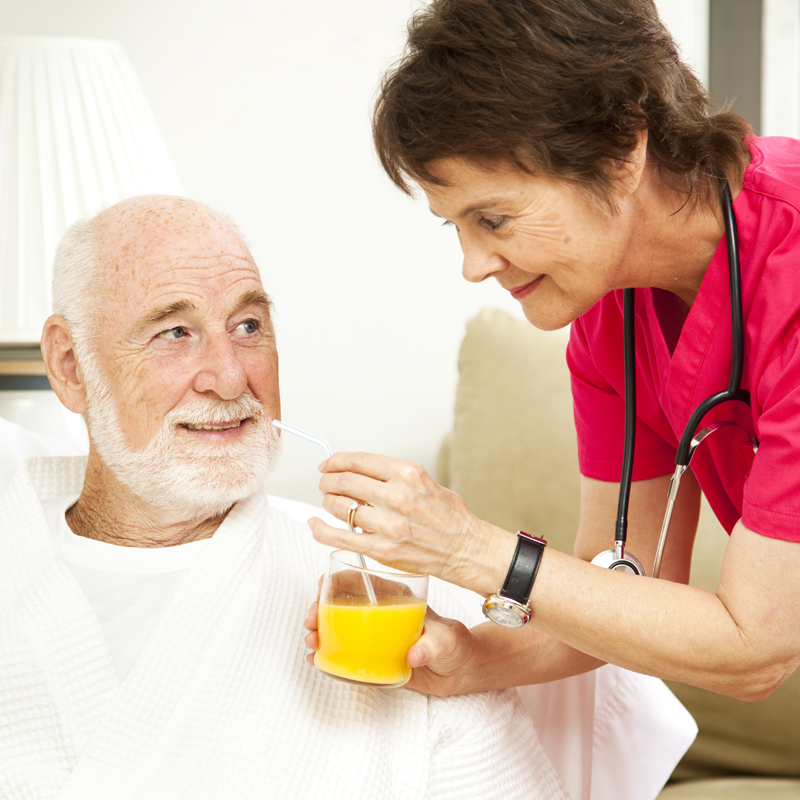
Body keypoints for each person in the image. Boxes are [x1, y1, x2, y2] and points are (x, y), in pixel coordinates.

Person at [306, 0, 800, 702]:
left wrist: (470, 548)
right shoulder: (607, 317)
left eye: (494, 218)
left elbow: (756, 651)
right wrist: (478, 661)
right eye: (455, 227)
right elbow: (627, 588)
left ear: (621, 150)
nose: (473, 266)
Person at [0, 195, 568, 799]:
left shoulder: (404, 603)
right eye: (175, 332)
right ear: (70, 366)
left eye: (248, 327)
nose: (229, 377)